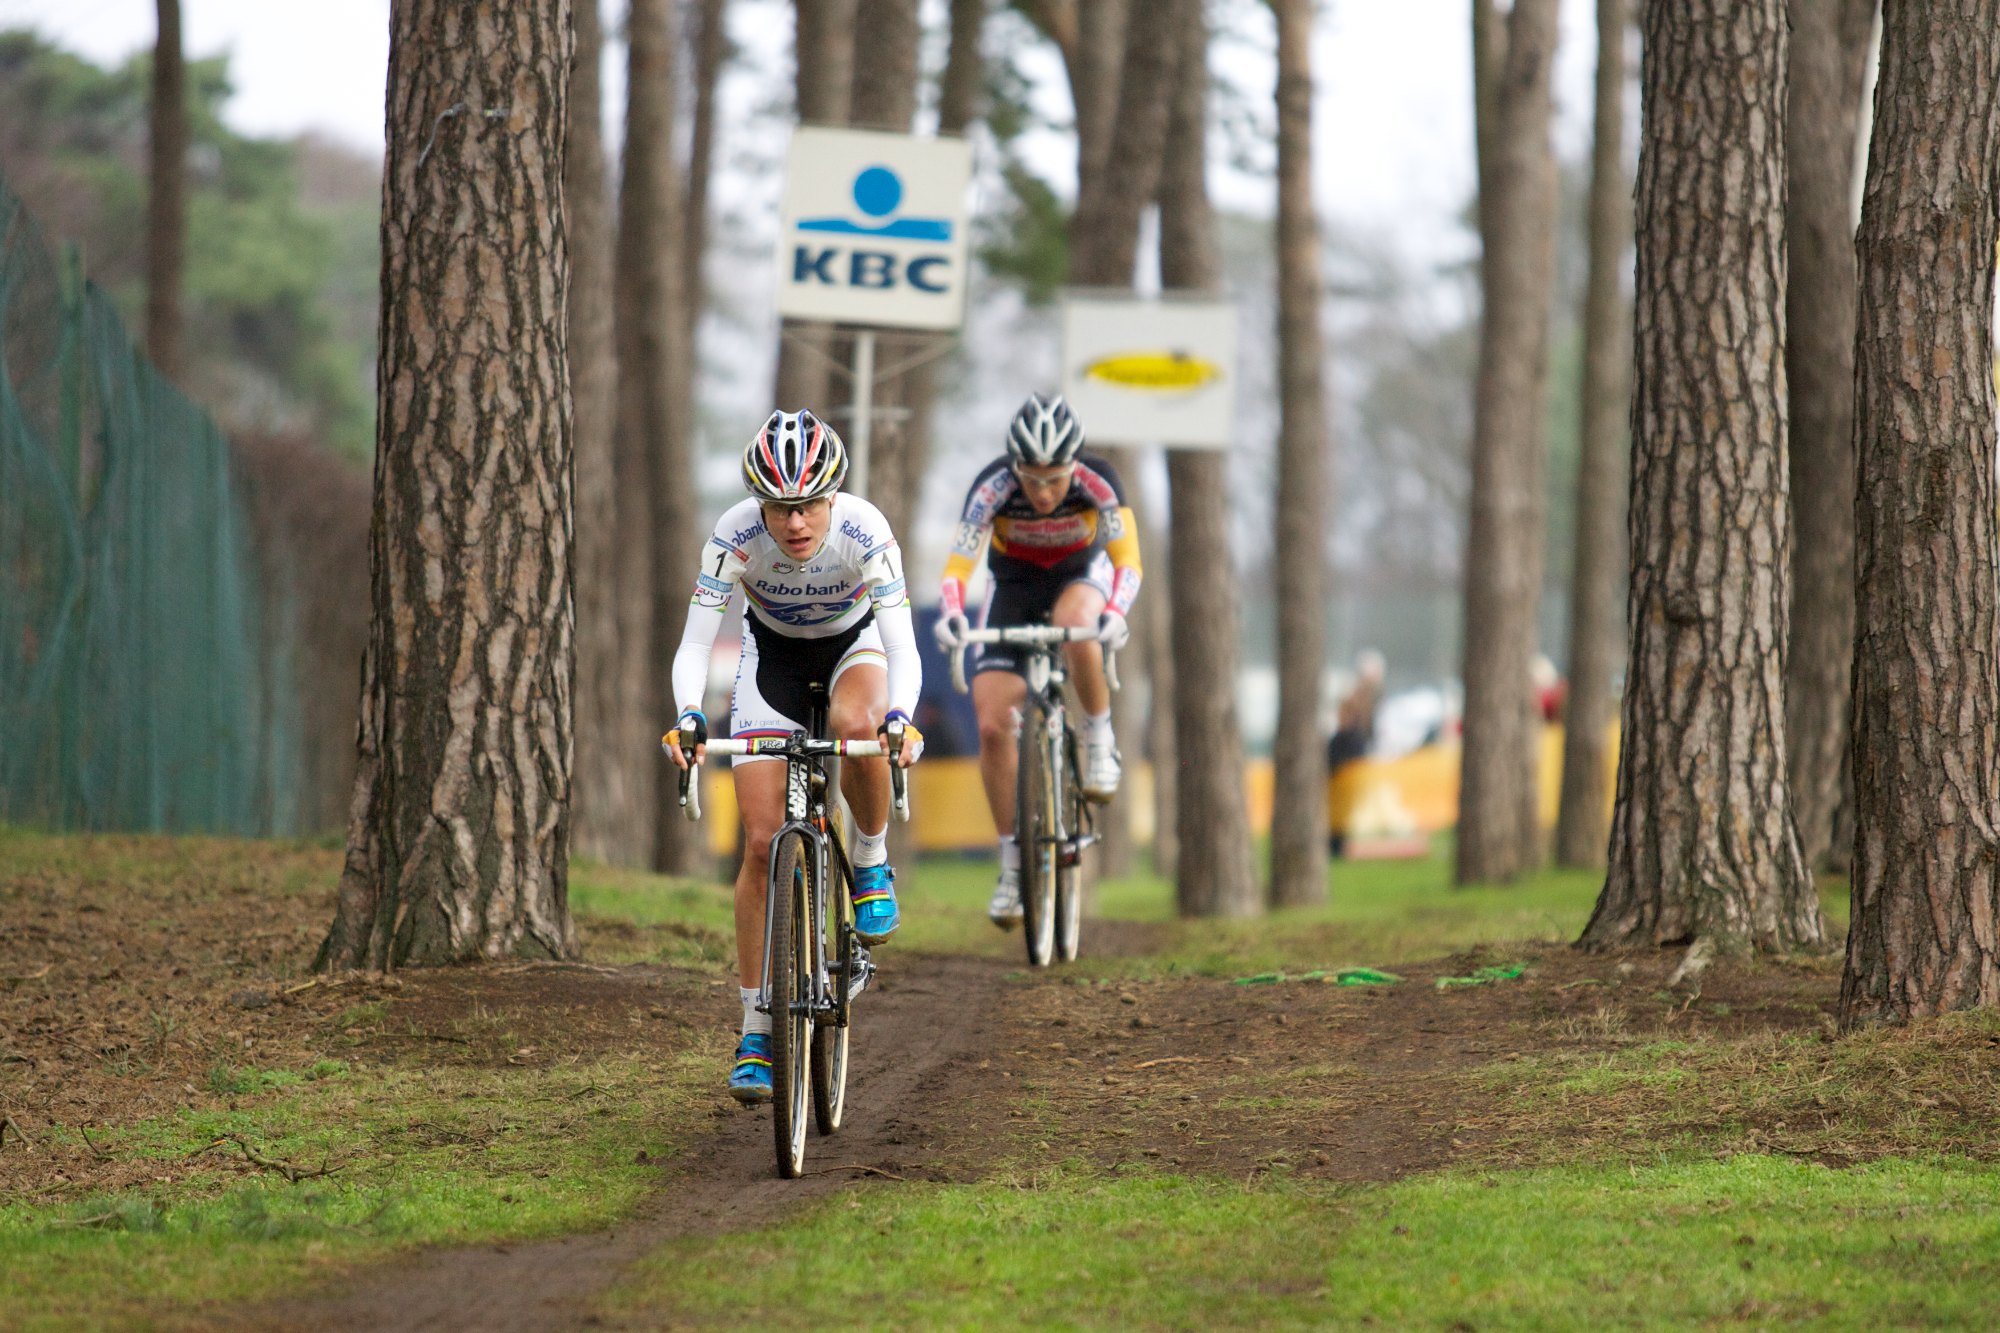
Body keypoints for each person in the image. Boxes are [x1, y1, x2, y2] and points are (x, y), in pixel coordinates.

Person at [663, 409, 923, 1104]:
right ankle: (756, 1024)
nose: (796, 523)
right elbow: (694, 644)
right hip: (769, 663)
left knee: (858, 722)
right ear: (760, 505)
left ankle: (868, 864)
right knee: (756, 842)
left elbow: (901, 645)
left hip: (853, 650)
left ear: (832, 497)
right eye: (780, 508)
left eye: (808, 505)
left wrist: (902, 716)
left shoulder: (865, 529)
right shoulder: (735, 535)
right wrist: (688, 713)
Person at [932, 393, 1142, 930]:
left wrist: (1116, 612)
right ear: (1014, 468)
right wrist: (954, 614)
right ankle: (1012, 864)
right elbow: (957, 569)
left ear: (1074, 466)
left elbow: (1127, 563)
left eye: (1056, 479)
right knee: (992, 723)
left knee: (1078, 629)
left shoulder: (1099, 481)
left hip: (1080, 578)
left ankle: (1098, 739)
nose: (1044, 491)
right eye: (1033, 479)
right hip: (1015, 589)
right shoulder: (992, 487)